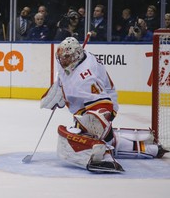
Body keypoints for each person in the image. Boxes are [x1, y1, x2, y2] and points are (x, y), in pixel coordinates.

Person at [40, 37, 168, 172]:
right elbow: (64, 74)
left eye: (66, 58)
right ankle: (143, 146)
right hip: (84, 104)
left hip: (104, 103)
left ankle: (104, 154)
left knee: (90, 123)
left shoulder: (86, 76)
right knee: (85, 125)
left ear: (76, 56)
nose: (62, 61)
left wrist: (92, 121)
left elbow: (104, 103)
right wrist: (61, 88)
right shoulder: (73, 59)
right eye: (61, 57)